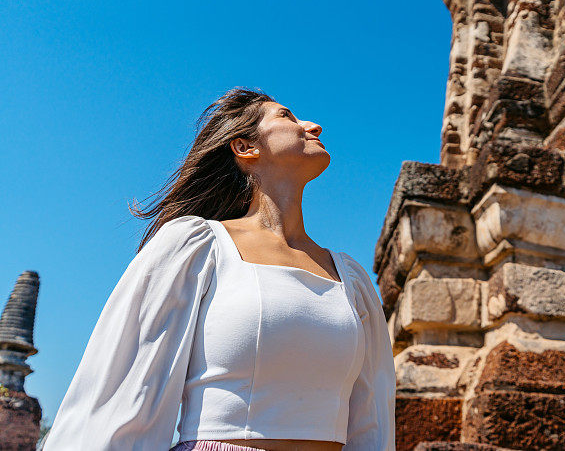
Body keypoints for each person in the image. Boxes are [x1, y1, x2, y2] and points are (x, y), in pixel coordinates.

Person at [42, 88, 396, 451]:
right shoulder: (196, 247)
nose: (313, 126)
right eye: (287, 117)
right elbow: (123, 394)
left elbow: (372, 423)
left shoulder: (351, 278)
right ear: (245, 147)